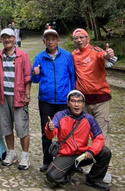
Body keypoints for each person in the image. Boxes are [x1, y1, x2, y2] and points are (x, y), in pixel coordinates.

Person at [72, 28, 115, 183]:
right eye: (75, 38)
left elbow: (104, 56)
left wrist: (108, 54)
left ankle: (105, 169)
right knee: (83, 134)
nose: (78, 40)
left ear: (87, 38)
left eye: (81, 37)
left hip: (101, 98)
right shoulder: (74, 55)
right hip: (83, 101)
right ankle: (85, 163)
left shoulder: (94, 50)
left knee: (102, 135)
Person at [45, 90, 111, 191]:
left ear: (83, 104)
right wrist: (49, 128)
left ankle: (93, 179)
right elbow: (51, 135)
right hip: (66, 154)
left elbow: (99, 138)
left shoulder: (89, 119)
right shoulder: (60, 116)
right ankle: (69, 170)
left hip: (83, 154)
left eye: (79, 101)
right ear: (68, 103)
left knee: (105, 152)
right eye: (73, 101)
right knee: (52, 176)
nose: (76, 104)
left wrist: (92, 151)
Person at [31, 29, 76, 172]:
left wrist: (73, 96)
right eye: (47, 39)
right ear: (44, 41)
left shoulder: (67, 56)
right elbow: (35, 80)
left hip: (64, 100)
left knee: (66, 131)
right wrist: (35, 74)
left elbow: (72, 76)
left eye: (53, 39)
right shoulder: (39, 57)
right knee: (47, 131)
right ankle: (47, 160)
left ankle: (67, 160)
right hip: (46, 101)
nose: (50, 41)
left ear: (58, 41)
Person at [0, 28, 31, 170]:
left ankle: (25, 156)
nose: (7, 40)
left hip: (19, 97)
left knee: (22, 127)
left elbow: (27, 77)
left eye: (9, 37)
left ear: (14, 39)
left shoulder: (22, 55)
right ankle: (11, 152)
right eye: (4, 37)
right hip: (3, 97)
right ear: (1, 40)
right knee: (6, 127)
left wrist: (27, 95)